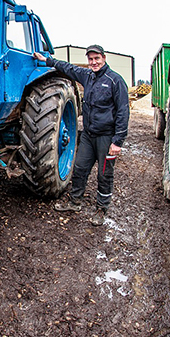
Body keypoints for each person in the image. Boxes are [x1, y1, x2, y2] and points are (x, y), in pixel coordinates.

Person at [33, 45, 129, 226]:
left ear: (104, 58)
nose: (93, 62)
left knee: (104, 173)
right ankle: (75, 201)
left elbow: (123, 112)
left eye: (96, 59)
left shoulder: (115, 81)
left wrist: (117, 141)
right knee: (79, 168)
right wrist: (46, 60)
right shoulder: (88, 76)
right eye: (90, 59)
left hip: (106, 137)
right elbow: (67, 67)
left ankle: (102, 208)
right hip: (88, 135)